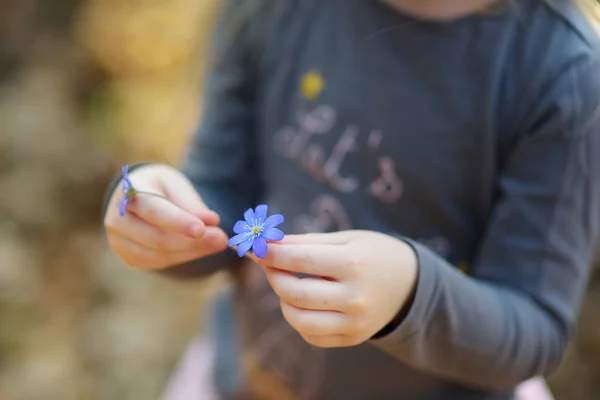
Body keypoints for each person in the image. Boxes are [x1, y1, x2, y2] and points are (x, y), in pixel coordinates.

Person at [102, 0, 600, 398]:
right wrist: (154, 212)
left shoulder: (565, 78)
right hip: (245, 381)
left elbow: (532, 332)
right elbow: (223, 205)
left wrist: (410, 296)